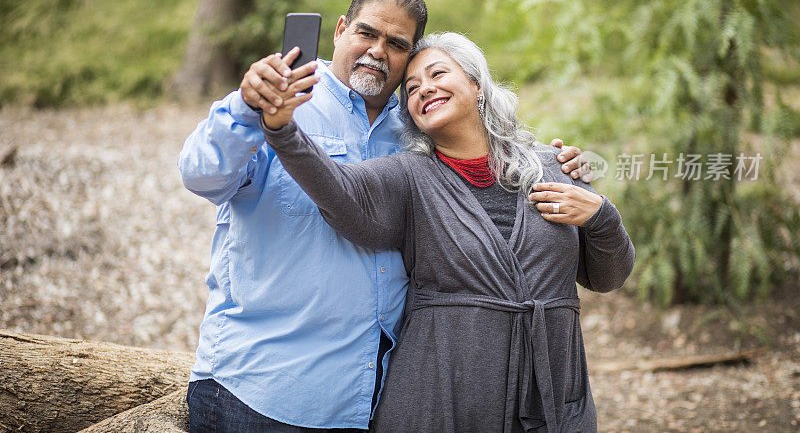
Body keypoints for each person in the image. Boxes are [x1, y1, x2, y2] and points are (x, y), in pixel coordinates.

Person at [179, 0, 590, 431]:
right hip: (259, 392)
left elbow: (484, 177)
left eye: (397, 44)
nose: (378, 51)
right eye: (366, 33)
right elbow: (201, 174)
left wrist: (555, 163)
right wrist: (246, 107)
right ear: (339, 30)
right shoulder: (280, 102)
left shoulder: (417, 134)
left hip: (368, 400)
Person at [259, 31, 635, 432]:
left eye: (438, 74)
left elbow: (608, 276)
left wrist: (602, 217)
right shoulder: (409, 178)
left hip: (552, 396)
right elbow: (341, 190)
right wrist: (283, 131)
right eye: (413, 88)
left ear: (476, 84)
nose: (425, 89)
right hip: (441, 398)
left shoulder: (554, 166)